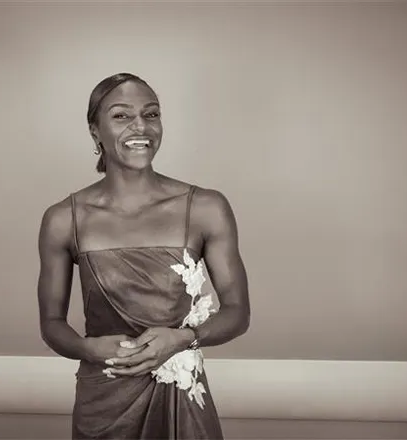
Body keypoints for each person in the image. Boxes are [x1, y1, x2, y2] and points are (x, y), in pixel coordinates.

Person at [37, 72, 251, 440]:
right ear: (95, 131)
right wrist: (87, 348)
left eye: (151, 114)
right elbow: (51, 323)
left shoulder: (205, 207)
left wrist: (184, 338)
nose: (141, 126)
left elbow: (238, 313)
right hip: (104, 399)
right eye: (122, 116)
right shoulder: (63, 219)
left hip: (180, 397)